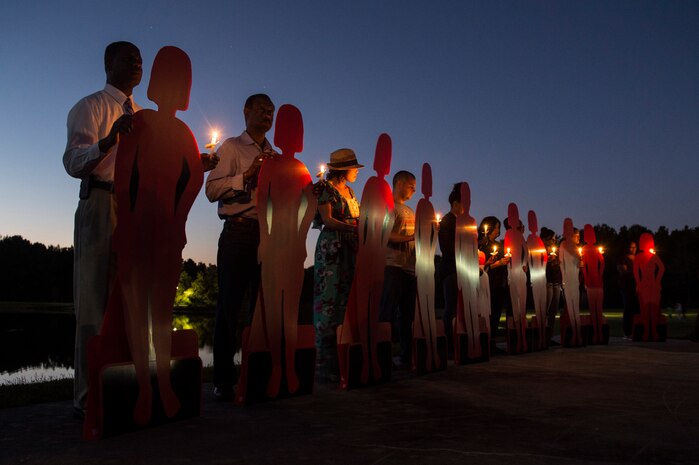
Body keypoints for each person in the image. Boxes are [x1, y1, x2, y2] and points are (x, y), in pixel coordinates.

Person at [111, 46, 203, 423]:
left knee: (161, 310)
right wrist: (128, 224)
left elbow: (194, 179)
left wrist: (179, 220)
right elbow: (122, 178)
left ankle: (162, 383)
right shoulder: (141, 122)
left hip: (166, 230)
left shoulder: (183, 132)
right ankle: (144, 389)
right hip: (138, 226)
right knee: (137, 308)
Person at [63, 41, 143, 416]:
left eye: (140, 59)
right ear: (108, 64)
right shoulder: (91, 107)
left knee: (124, 299)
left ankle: (119, 382)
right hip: (99, 200)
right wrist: (109, 140)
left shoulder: (142, 116)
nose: (137, 63)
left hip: (132, 210)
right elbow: (74, 161)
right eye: (129, 57)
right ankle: (87, 393)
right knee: (93, 300)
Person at [205, 94, 277, 399]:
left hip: (268, 237)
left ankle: (256, 374)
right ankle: (223, 379)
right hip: (238, 232)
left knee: (262, 309)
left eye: (271, 112)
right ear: (246, 111)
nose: (267, 116)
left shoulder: (275, 155)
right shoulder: (233, 147)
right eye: (262, 110)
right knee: (229, 308)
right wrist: (246, 176)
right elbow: (211, 190)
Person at [313, 149, 363, 382]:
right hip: (332, 248)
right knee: (329, 299)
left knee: (346, 298)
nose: (356, 172)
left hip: (350, 247)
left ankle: (342, 355)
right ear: (343, 170)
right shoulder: (326, 189)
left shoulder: (351, 191)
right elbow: (328, 220)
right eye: (354, 168)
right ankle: (324, 359)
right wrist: (354, 228)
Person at [379, 170, 417, 368]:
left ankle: (406, 355)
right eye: (411, 186)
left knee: (407, 316)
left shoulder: (410, 211)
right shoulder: (389, 207)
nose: (414, 191)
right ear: (399, 184)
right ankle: (382, 357)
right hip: (393, 265)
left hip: (410, 268)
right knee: (387, 311)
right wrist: (411, 237)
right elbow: (386, 235)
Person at [438, 183, 464, 357]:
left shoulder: (463, 222)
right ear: (455, 204)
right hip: (451, 270)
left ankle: (459, 342)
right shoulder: (447, 221)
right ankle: (448, 346)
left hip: (462, 269)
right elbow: (447, 249)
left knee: (460, 307)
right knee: (451, 307)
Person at [478, 216, 510, 353]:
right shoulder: (482, 246)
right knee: (487, 313)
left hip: (500, 283)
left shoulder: (500, 245)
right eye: (497, 227)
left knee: (496, 313)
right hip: (487, 283)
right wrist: (497, 264)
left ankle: (492, 342)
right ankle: (485, 343)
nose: (498, 230)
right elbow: (483, 266)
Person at [541, 227, 562, 344]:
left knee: (554, 310)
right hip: (547, 282)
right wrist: (548, 260)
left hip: (556, 282)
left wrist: (558, 260)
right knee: (546, 310)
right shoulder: (541, 251)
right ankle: (543, 334)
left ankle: (550, 336)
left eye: (555, 239)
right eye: (552, 239)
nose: (554, 241)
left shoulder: (557, 251)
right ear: (545, 239)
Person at [617, 240, 639, 339]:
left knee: (637, 308)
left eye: (635, 247)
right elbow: (623, 271)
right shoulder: (622, 259)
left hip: (638, 286)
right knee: (628, 308)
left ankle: (637, 329)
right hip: (627, 286)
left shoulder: (639, 258)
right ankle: (627, 331)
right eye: (631, 247)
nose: (633, 249)